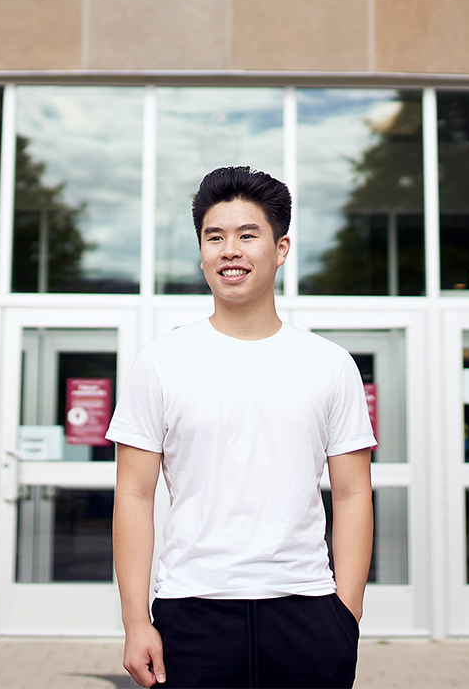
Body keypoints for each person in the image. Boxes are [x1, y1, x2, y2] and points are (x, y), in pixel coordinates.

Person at [106, 166, 376, 689]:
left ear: (280, 249)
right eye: (215, 237)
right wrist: (136, 621)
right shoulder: (161, 362)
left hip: (308, 610)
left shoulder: (330, 364)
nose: (230, 249)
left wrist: (347, 614)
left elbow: (352, 493)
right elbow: (134, 495)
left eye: (247, 235)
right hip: (192, 611)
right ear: (202, 251)